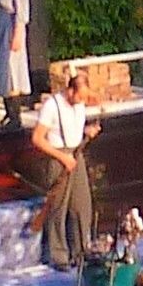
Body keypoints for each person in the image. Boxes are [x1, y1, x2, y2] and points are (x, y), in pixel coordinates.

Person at [26, 70, 99, 271]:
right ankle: (59, 256)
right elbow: (37, 138)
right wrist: (62, 157)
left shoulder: (80, 104)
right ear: (70, 91)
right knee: (58, 207)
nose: (81, 101)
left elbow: (75, 126)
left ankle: (80, 251)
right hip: (58, 157)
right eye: (80, 97)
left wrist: (87, 132)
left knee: (81, 206)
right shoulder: (52, 106)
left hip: (76, 156)